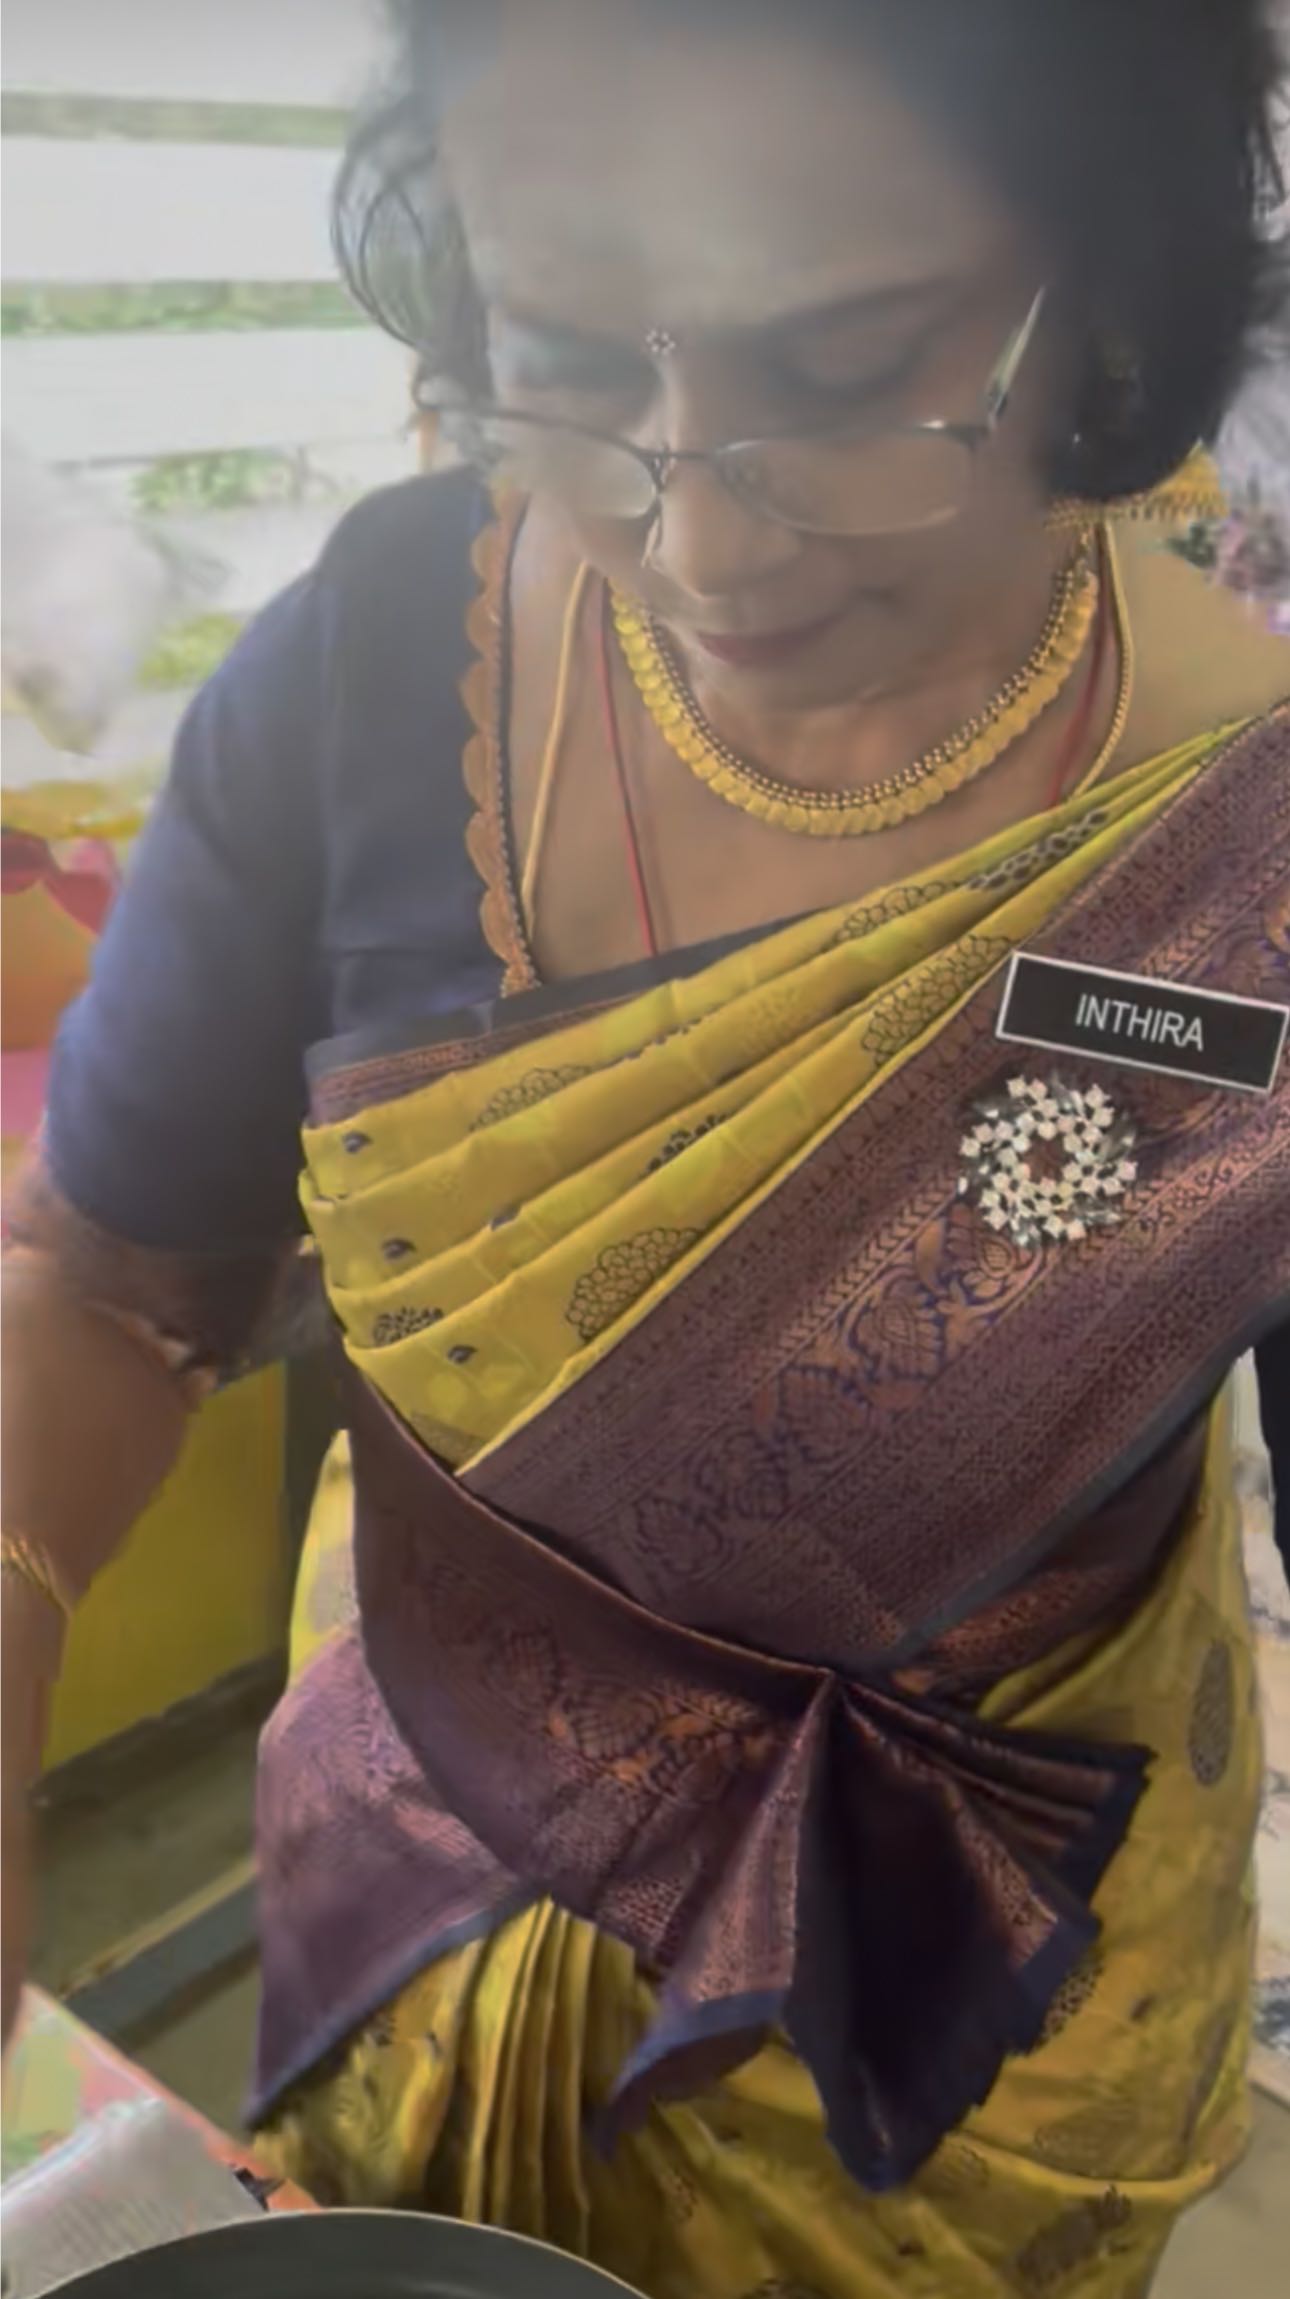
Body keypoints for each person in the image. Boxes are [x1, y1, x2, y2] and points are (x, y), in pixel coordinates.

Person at [4, 3, 1290, 2291]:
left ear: (1101, 275)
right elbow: (113, 1277)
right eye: (572, 354)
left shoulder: (1257, 847)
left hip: (982, 2004)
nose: (692, 525)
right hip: (421, 1863)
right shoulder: (373, 667)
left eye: (855, 359)